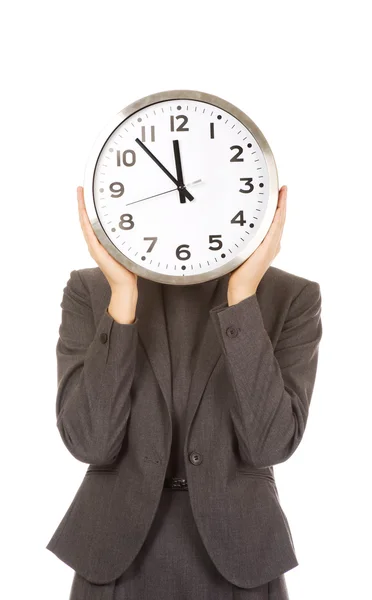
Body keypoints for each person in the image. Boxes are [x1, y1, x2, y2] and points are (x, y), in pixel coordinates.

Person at [46, 185, 322, 599]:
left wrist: (242, 298)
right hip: (115, 559)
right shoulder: (91, 290)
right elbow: (91, 442)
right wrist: (122, 297)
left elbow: (269, 445)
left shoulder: (292, 296)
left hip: (240, 560)